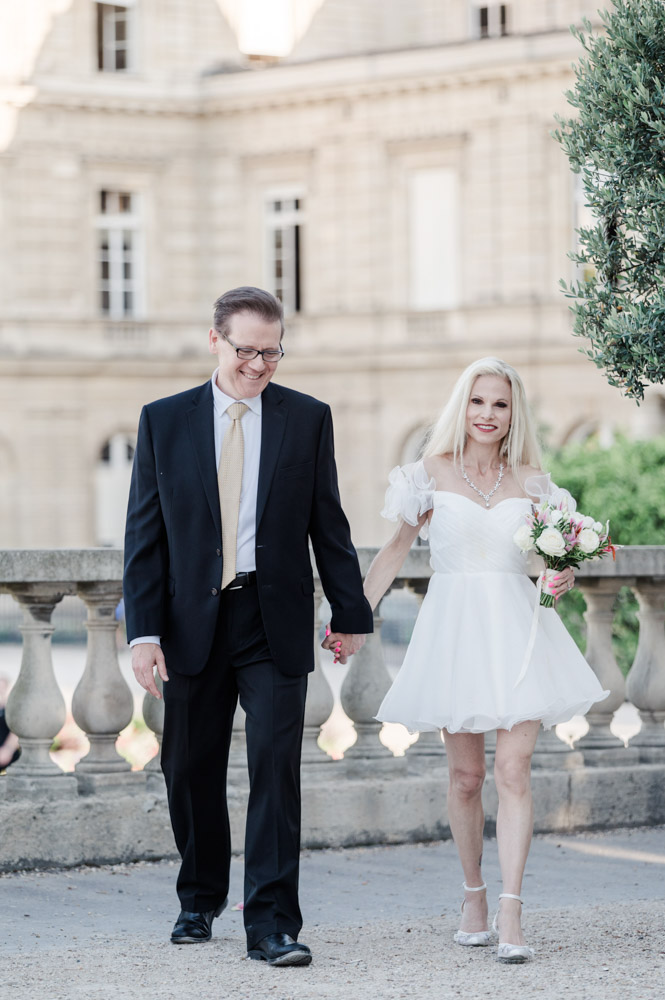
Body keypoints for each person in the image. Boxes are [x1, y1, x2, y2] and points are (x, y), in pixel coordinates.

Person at [123, 286, 372, 966]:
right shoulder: (163, 421)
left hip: (273, 617)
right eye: (247, 351)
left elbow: (329, 522)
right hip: (191, 621)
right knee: (188, 768)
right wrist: (142, 633)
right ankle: (198, 898)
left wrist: (349, 613)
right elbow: (144, 538)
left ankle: (270, 924)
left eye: (272, 352)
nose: (260, 365)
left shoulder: (306, 418)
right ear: (215, 340)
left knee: (273, 768)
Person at [363, 357, 608, 964]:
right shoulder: (427, 475)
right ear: (462, 407)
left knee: (513, 772)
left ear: (512, 412)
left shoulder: (535, 485)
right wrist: (351, 617)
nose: (487, 415)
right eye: (477, 403)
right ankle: (472, 894)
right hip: (455, 632)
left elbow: (554, 566)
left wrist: (560, 577)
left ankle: (511, 908)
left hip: (518, 635)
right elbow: (393, 552)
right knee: (466, 778)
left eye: (499, 404)